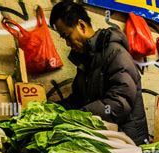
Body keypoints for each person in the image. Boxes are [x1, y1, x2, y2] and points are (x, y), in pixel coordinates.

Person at [50, 1, 149, 145]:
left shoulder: (115, 53)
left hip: (128, 144)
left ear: (81, 26)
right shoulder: (87, 60)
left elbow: (119, 103)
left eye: (66, 36)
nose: (67, 43)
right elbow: (78, 100)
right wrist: (54, 109)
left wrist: (78, 115)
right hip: (109, 141)